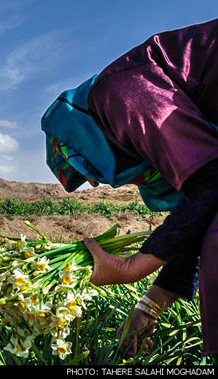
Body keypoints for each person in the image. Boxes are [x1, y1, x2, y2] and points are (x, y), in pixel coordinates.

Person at [41, 19, 218, 358]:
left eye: (90, 168)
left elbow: (211, 179)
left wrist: (130, 267)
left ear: (84, 138)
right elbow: (199, 215)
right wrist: (148, 308)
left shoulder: (117, 93)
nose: (103, 180)